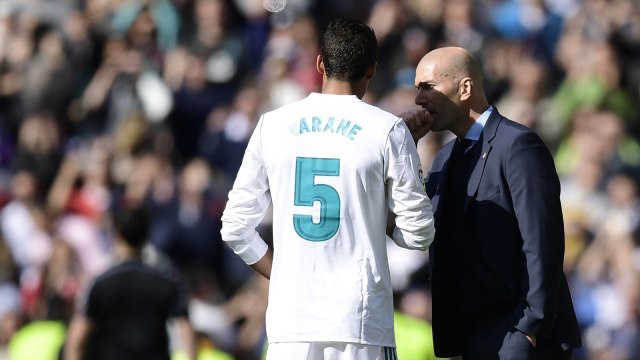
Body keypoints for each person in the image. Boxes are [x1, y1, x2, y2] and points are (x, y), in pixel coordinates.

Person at [220, 17, 435, 360]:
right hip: (360, 323)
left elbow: (234, 228)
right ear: (372, 71)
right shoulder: (389, 130)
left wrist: (284, 277)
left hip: (291, 325)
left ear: (320, 63)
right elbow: (419, 235)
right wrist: (377, 204)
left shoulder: (272, 125)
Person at [402, 46, 581, 359]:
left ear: (466, 87)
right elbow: (417, 225)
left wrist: (528, 330)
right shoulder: (444, 158)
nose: (418, 100)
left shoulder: (518, 146)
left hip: (519, 339)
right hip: (472, 340)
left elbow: (542, 245)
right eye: (417, 89)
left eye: (428, 87)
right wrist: (407, 148)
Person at [64, 206, 196, 360]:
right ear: (147, 235)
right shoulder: (168, 282)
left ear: (117, 234)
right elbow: (187, 336)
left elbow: (76, 341)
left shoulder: (99, 284)